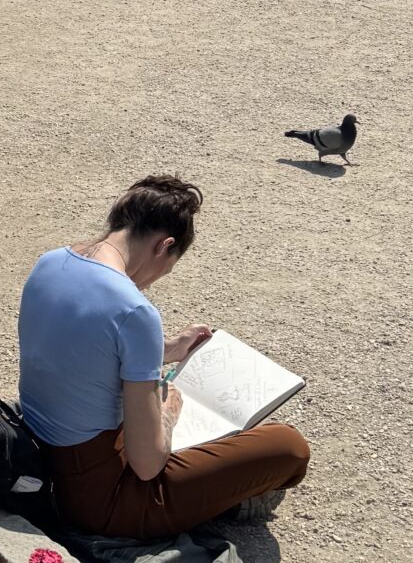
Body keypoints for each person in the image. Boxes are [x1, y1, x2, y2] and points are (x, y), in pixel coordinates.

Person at [17, 174, 310, 540]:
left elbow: (83, 346)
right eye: (166, 269)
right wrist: (168, 415)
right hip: (98, 501)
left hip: (35, 453)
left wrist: (166, 350)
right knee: (288, 447)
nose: (151, 283)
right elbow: (147, 465)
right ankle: (230, 500)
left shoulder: (50, 262)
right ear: (164, 245)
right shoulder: (133, 309)